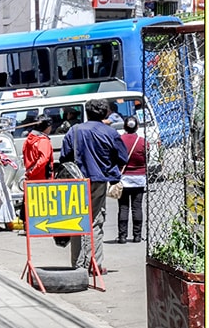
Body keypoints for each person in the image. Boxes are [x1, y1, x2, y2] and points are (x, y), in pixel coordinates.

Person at [59, 98, 127, 273]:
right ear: (105, 113)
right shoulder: (110, 133)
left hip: (75, 182)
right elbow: (122, 157)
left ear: (86, 113)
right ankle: (94, 265)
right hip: (98, 181)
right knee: (96, 222)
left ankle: (77, 264)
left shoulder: (74, 131)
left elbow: (64, 157)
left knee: (76, 221)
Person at [116, 116, 147, 243]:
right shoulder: (142, 141)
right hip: (139, 178)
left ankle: (122, 236)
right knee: (137, 207)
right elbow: (146, 158)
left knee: (123, 207)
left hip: (123, 178)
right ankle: (137, 236)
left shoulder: (119, 140)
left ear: (124, 126)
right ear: (137, 127)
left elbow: (115, 157)